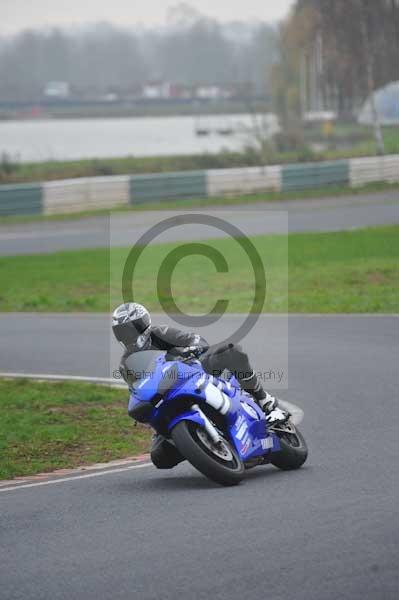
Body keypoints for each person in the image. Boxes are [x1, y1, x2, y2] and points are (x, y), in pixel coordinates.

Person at [112, 302, 290, 469]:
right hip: (167, 393)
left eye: (131, 329)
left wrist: (190, 349)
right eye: (122, 333)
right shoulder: (125, 363)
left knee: (232, 352)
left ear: (144, 323)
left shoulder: (161, 333)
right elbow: (137, 388)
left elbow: (196, 340)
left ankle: (264, 401)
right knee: (159, 457)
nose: (128, 336)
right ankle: (197, 443)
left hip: (194, 370)